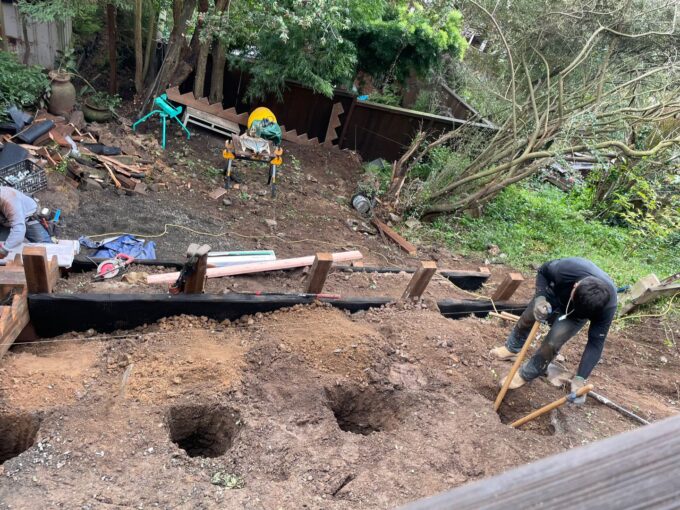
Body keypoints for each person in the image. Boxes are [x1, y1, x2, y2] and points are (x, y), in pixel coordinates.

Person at [490, 257, 617, 404]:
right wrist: (540, 298)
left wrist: (580, 378)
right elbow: (543, 272)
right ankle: (512, 348)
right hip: (555, 292)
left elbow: (596, 343)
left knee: (552, 342)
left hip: (576, 315)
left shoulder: (607, 307)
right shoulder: (567, 269)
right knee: (528, 317)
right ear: (575, 286)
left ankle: (527, 374)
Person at [0, 186, 52, 259]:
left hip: (28, 217)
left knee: (47, 250)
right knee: (3, 245)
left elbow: (19, 230)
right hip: (5, 220)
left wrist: (4, 250)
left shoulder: (9, 201)